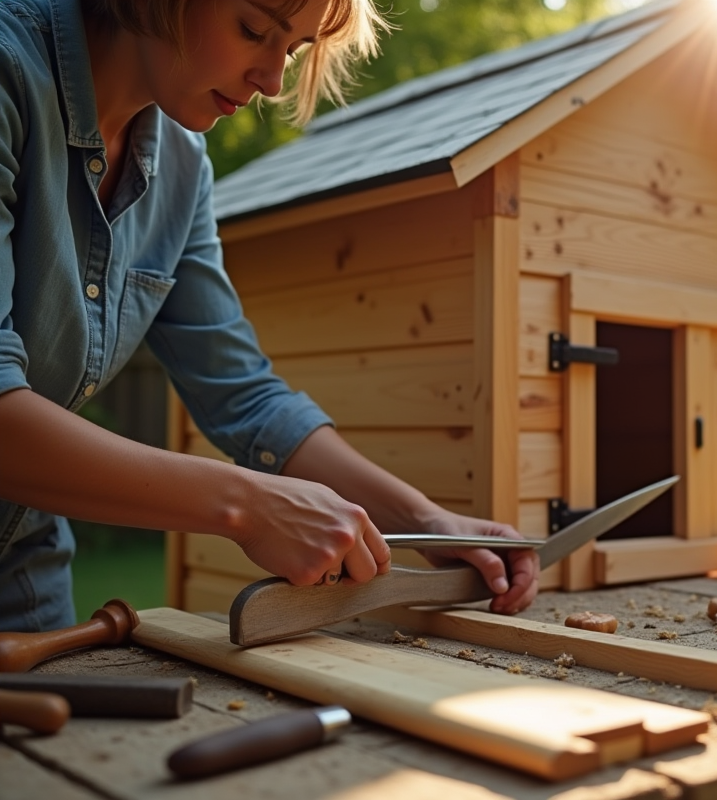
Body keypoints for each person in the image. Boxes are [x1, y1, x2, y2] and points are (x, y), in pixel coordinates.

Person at [0, 0, 539, 633]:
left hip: (23, 568)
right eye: (254, 30)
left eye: (292, 50)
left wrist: (424, 521)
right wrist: (246, 506)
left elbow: (247, 399)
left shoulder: (182, 165)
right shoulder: (12, 72)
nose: (273, 81)